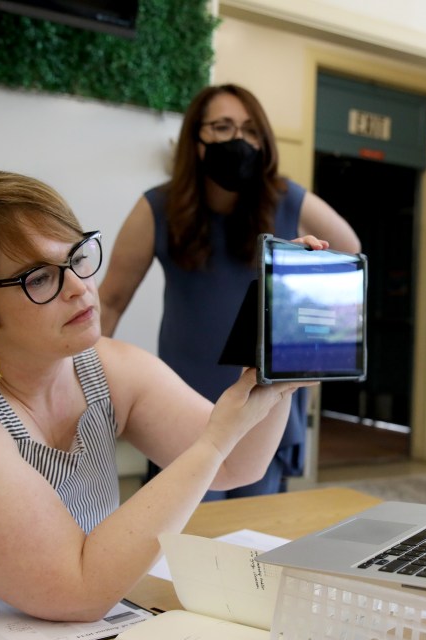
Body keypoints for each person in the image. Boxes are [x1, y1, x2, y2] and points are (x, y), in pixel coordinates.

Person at [0, 170, 317, 622]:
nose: (78, 287)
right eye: (39, 278)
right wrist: (213, 441)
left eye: (77, 257)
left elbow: (236, 464)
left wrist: (276, 370)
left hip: (11, 627)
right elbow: (77, 590)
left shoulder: (107, 368)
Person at [99, 83, 361, 500]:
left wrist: (306, 315)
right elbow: (109, 302)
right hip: (180, 404)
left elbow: (348, 251)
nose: (238, 140)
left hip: (263, 402)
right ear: (196, 139)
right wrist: (80, 387)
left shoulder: (285, 199)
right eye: (222, 127)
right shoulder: (157, 208)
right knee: (188, 529)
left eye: (250, 130)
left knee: (253, 528)